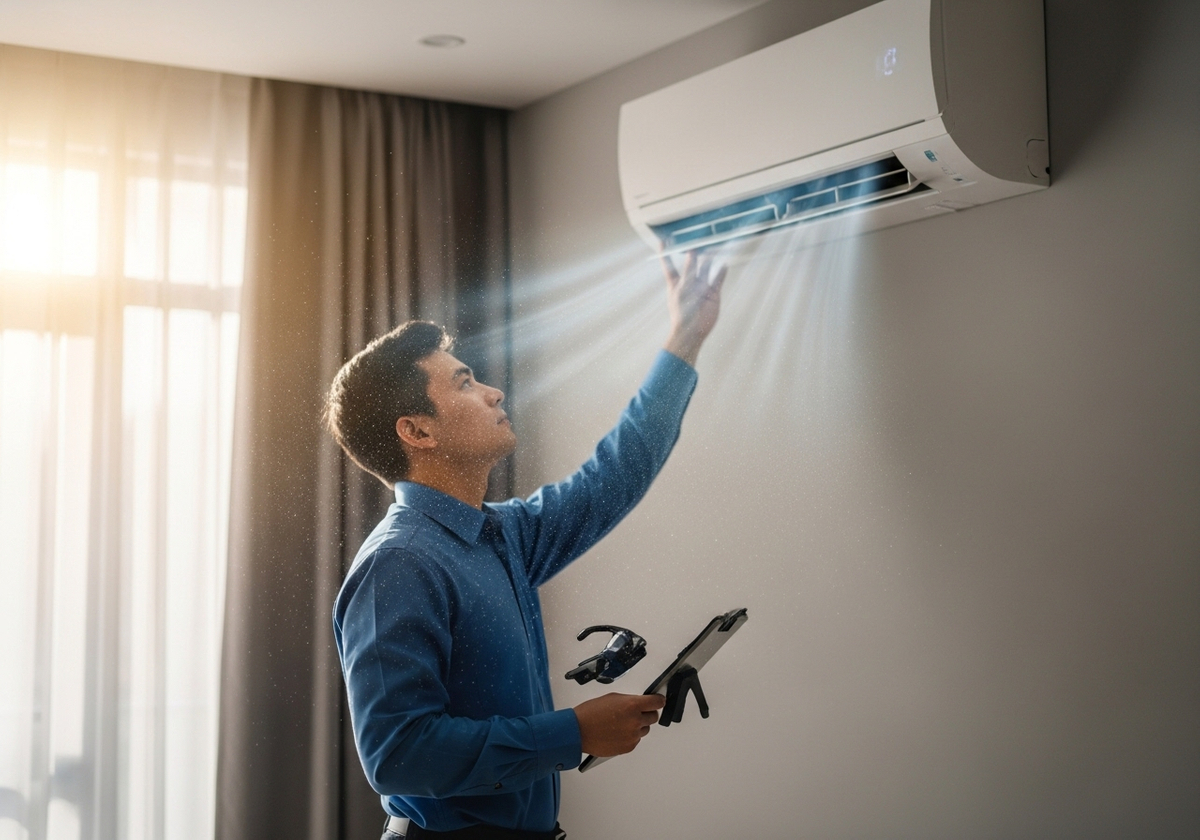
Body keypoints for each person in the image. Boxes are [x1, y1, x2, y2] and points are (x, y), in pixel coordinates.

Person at [324, 251, 726, 840]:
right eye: (464, 382)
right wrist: (574, 733)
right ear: (418, 431)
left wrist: (685, 338)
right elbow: (399, 754)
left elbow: (615, 473)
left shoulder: (505, 535)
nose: (492, 392)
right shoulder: (398, 565)